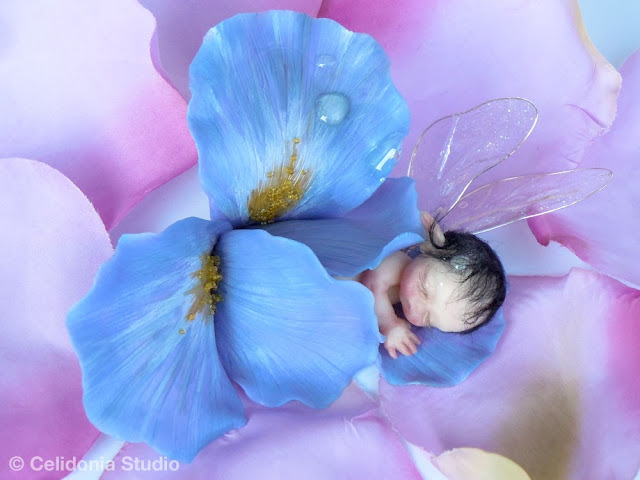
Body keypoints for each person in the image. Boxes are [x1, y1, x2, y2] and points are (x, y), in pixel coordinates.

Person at [353, 212, 506, 359]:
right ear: (430, 244)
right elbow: (372, 285)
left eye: (428, 319)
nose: (416, 308)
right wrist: (389, 324)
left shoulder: (402, 288)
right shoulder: (398, 263)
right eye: (424, 289)